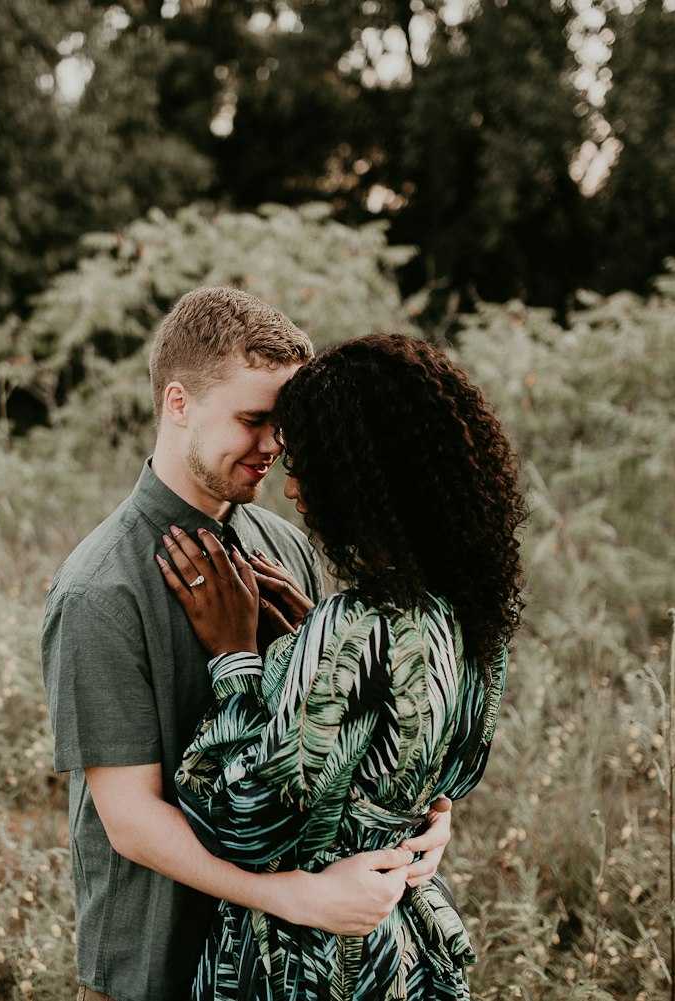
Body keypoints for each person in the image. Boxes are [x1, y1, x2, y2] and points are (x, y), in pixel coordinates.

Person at [42, 290, 455, 1001]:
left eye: (282, 424)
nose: (274, 445)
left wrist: (424, 819)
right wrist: (290, 893)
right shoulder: (99, 588)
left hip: (281, 972)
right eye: (252, 420)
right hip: (155, 969)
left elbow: (330, 745)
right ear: (178, 403)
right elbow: (131, 822)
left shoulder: (287, 546)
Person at [157, 333, 526, 1000]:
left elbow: (240, 820)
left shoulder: (354, 626)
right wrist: (307, 651)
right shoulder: (469, 614)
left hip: (313, 955)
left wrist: (237, 659)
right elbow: (448, 779)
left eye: (307, 465)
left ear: (364, 476)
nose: (292, 486)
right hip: (400, 949)